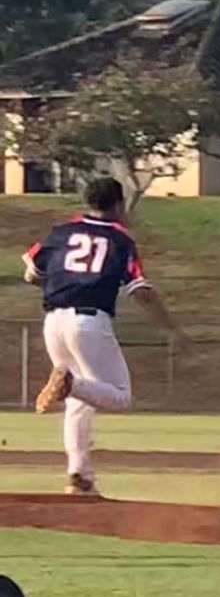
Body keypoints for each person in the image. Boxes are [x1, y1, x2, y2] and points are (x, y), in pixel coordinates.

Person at [22, 178, 183, 495]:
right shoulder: (120, 239)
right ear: (119, 205)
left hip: (53, 321)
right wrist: (170, 328)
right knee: (119, 395)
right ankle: (69, 382)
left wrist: (65, 286)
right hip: (89, 321)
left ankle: (79, 477)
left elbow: (31, 274)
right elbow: (141, 291)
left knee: (79, 402)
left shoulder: (61, 232)